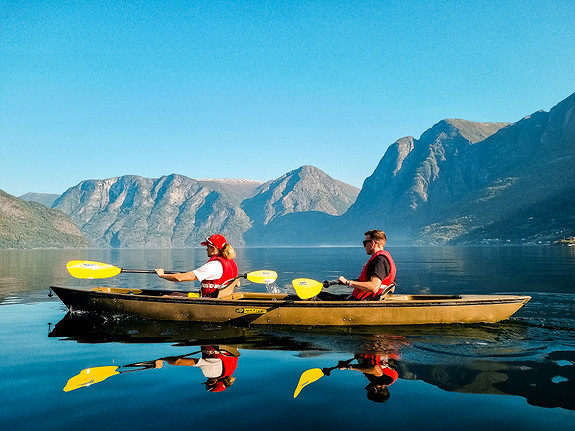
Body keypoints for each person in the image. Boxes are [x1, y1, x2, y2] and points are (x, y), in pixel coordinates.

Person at [155, 234, 238, 298]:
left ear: (213, 248)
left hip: (209, 299)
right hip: (223, 297)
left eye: (208, 247)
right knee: (174, 294)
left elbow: (179, 278)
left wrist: (162, 275)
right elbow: (237, 283)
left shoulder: (213, 265)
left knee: (166, 297)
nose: (206, 249)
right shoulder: (230, 263)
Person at [337, 229, 396, 300]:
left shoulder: (379, 261)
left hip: (361, 301)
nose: (364, 246)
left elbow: (374, 287)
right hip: (370, 298)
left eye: (365, 243)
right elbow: (391, 288)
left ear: (373, 243)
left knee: (321, 297)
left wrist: (348, 282)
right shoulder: (386, 259)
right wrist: (348, 282)